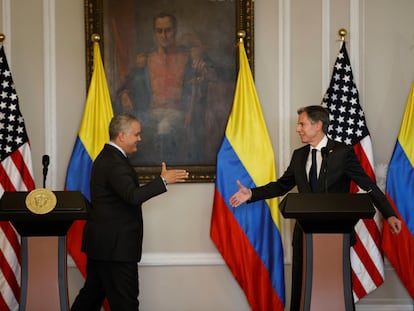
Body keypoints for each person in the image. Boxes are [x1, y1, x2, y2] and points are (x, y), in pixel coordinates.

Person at [229, 105, 402, 311]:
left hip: (337, 236)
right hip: (305, 235)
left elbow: (368, 185)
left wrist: (389, 214)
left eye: (302, 124)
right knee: (303, 290)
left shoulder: (342, 153)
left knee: (335, 287)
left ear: (318, 125)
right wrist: (252, 194)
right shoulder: (299, 155)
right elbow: (282, 185)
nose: (298, 129)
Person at [70, 113, 189, 311]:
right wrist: (163, 181)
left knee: (90, 298)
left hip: (104, 246)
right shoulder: (114, 162)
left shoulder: (109, 157)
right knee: (125, 304)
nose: (139, 139)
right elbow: (132, 196)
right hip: (115, 249)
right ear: (122, 135)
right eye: (136, 134)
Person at [116, 12, 216, 164]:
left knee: (165, 127)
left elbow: (211, 74)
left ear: (175, 31)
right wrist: (124, 93)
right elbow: (126, 85)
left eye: (168, 30)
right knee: (132, 129)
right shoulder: (146, 59)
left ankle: (165, 173)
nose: (164, 36)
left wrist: (203, 69)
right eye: (159, 31)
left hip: (177, 113)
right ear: (154, 33)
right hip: (150, 113)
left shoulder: (187, 57)